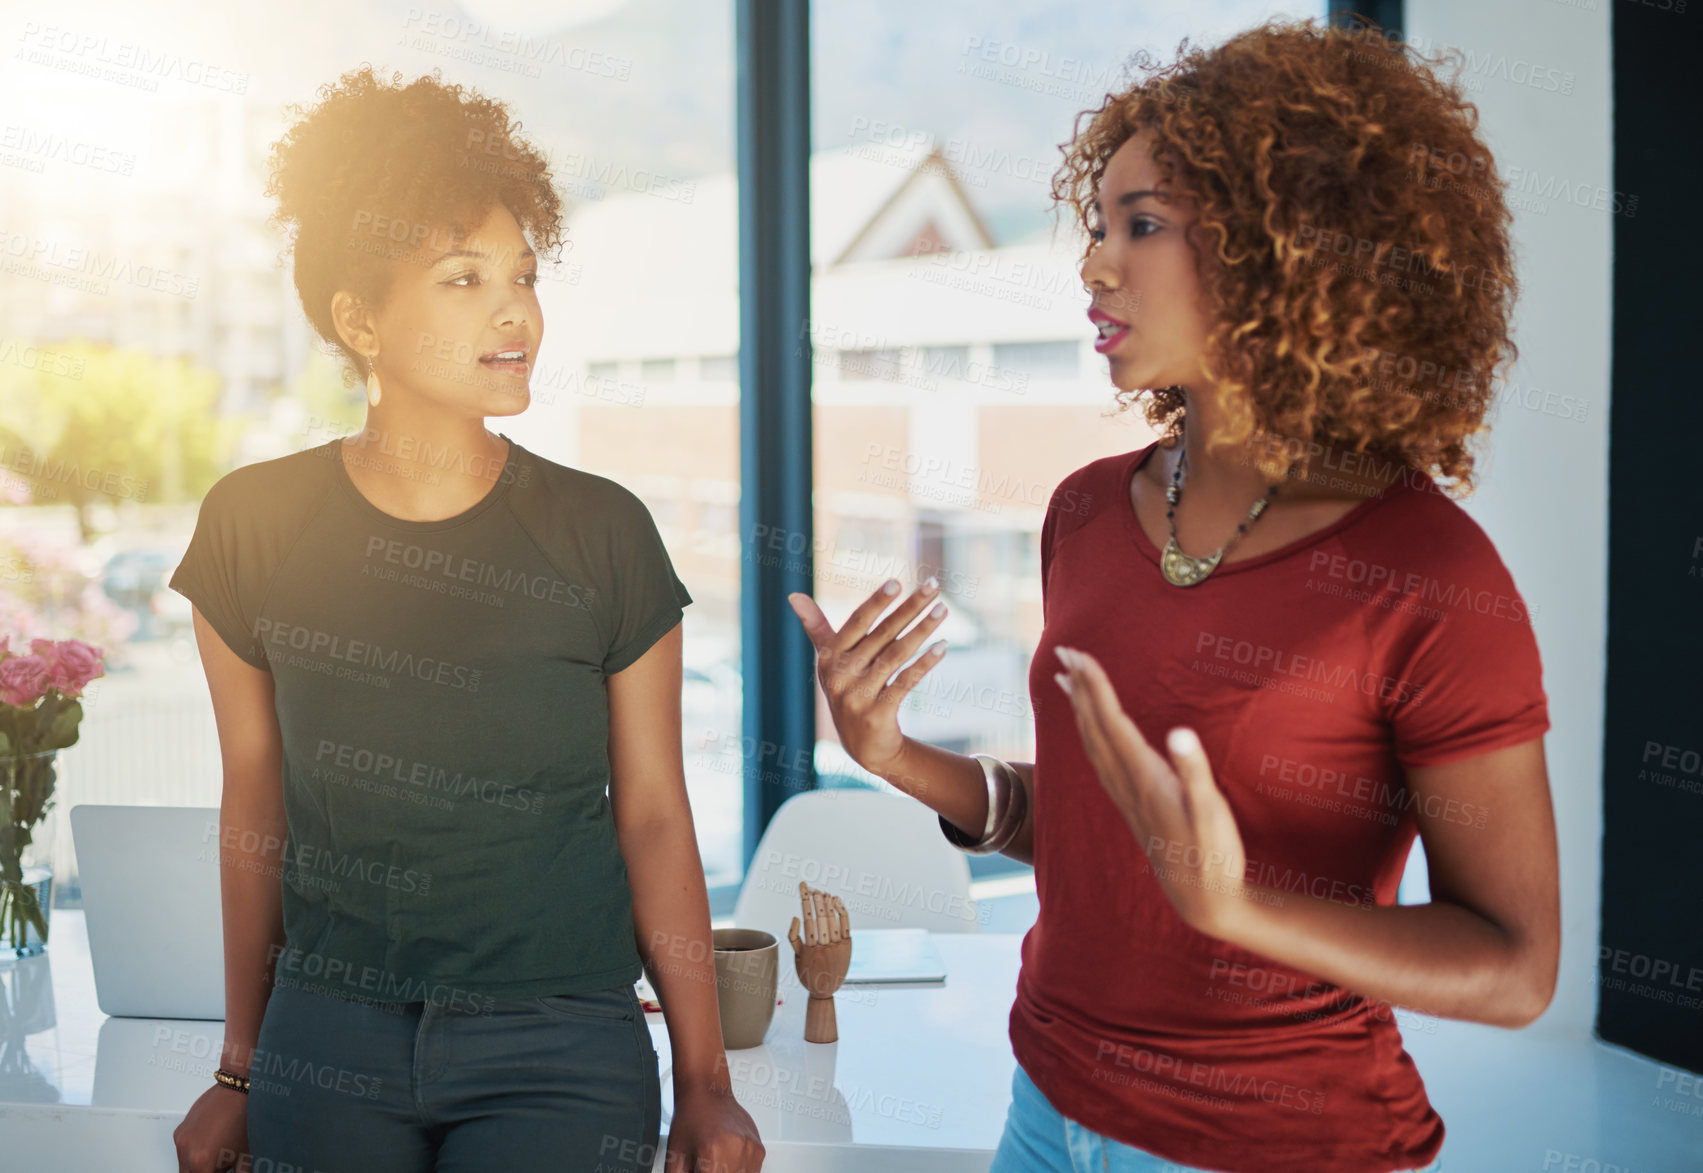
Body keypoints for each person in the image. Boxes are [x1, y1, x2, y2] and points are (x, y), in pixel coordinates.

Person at [787, 17, 1557, 1173]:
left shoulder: (1431, 579)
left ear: (1286, 248)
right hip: (1043, 1112)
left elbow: (1510, 966)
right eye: (1097, 224)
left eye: (1142, 225)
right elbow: (1097, 830)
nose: (1093, 262)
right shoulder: (1087, 512)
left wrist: (1237, 908)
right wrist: (890, 754)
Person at [166, 65, 763, 1173]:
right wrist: (240, 1068)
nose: (515, 311)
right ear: (360, 319)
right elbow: (255, 802)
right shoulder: (251, 524)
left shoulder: (604, 533)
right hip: (327, 1038)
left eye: (524, 276)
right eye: (463, 277)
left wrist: (707, 1083)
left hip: (562, 1040)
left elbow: (652, 817)